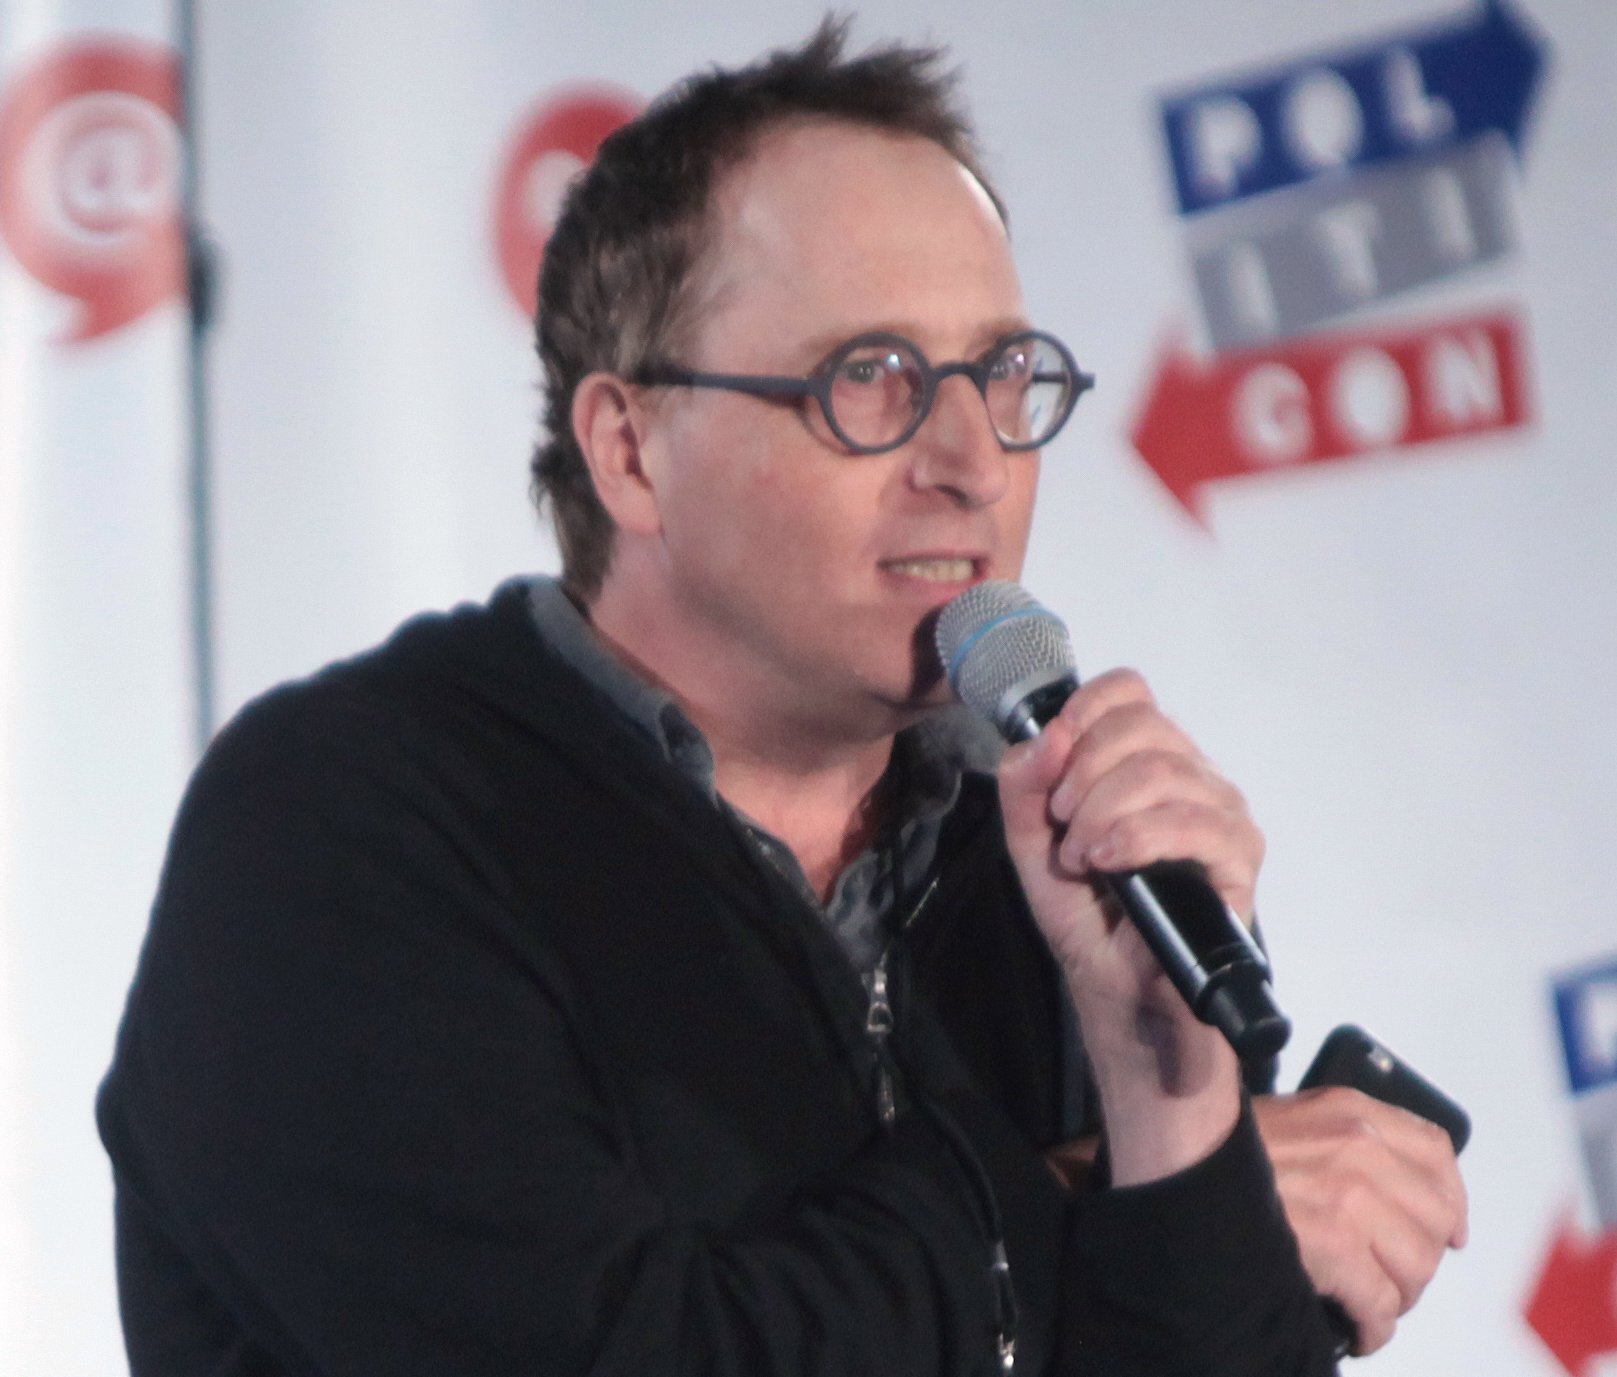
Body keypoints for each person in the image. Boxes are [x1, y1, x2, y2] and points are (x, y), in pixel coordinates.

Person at [98, 22, 1465, 1376]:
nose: (971, 461)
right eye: (867, 378)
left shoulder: (1056, 859)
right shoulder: (346, 826)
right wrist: (1069, 1203)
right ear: (629, 453)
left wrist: (1166, 1094)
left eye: (998, 375)